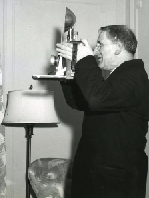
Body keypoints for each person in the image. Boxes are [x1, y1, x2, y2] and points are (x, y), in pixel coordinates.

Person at [56, 25, 149, 198]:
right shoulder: (119, 76)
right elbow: (79, 102)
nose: (95, 49)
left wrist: (85, 60)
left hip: (115, 179)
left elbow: (96, 99)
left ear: (119, 48)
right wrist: (68, 72)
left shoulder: (134, 77)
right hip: (99, 174)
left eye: (100, 44)